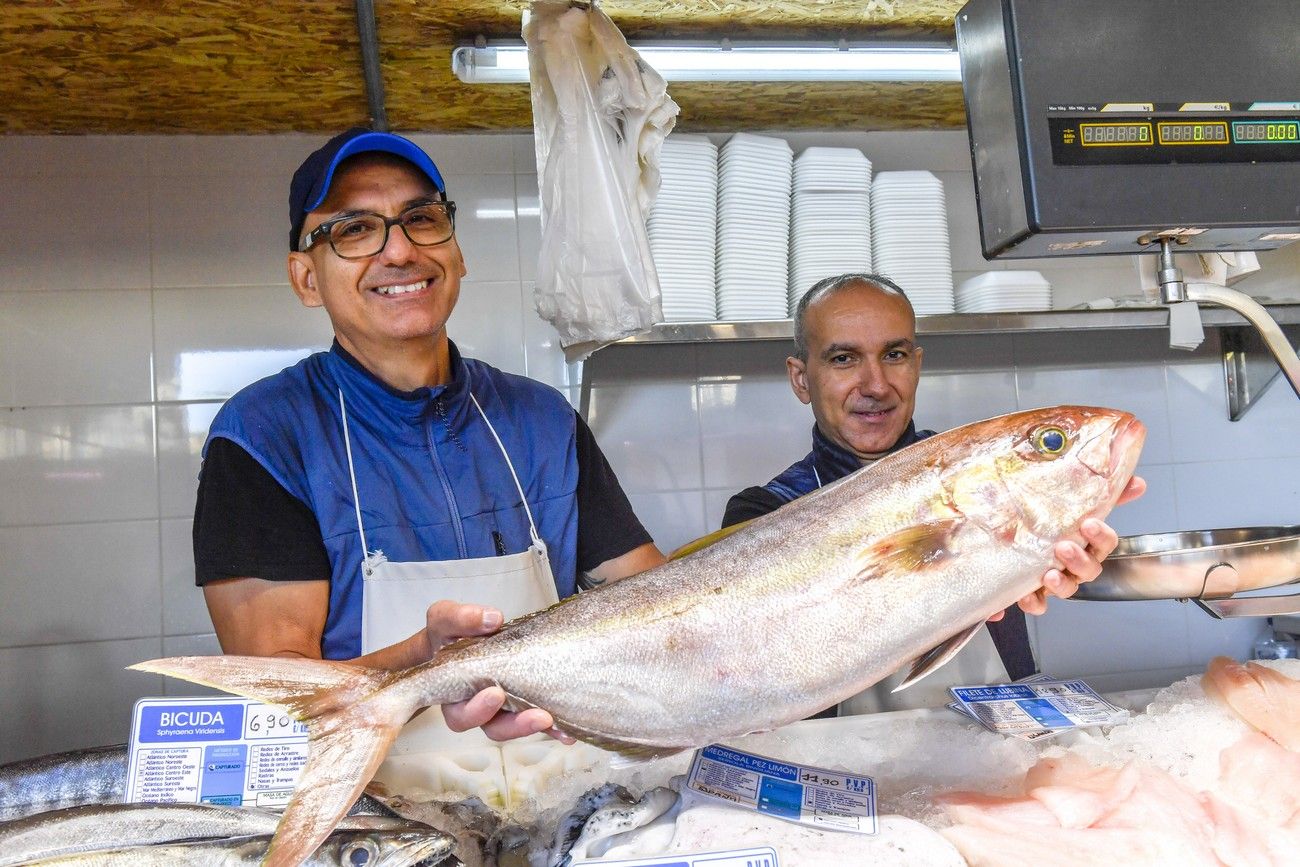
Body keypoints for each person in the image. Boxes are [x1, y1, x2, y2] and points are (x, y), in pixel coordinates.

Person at [193, 128, 665, 745]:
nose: (400, 251)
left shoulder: (540, 418)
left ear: (457, 253)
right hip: (377, 814)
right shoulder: (263, 437)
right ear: (307, 278)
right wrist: (427, 660)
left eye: (421, 217)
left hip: (553, 782)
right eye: (354, 229)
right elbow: (280, 700)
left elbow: (653, 609)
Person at [722, 273, 1146, 712]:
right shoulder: (763, 512)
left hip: (998, 747)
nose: (877, 385)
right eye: (844, 358)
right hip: (845, 758)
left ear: (917, 364)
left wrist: (1051, 563)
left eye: (895, 354)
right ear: (802, 379)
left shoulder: (992, 476)